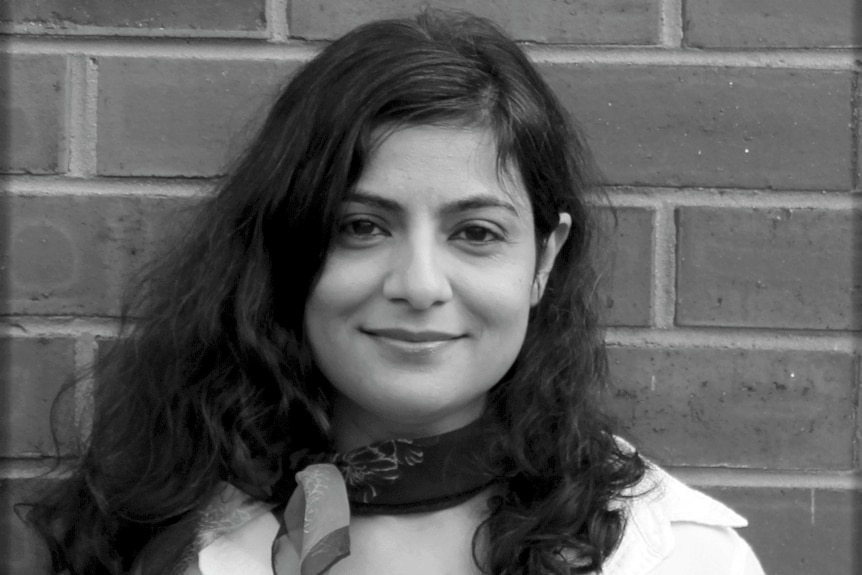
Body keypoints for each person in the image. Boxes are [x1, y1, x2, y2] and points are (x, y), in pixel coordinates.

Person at [26, 10, 766, 575]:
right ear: (289, 248)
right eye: (359, 226)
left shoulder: (677, 554)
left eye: (475, 232)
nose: (418, 284)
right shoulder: (147, 537)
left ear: (545, 258)